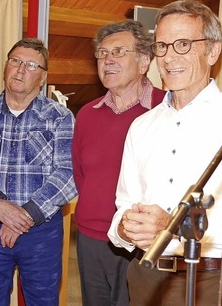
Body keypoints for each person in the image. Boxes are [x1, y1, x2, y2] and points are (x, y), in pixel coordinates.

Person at [107, 0, 222, 305]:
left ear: (213, 51)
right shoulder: (141, 126)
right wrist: (125, 228)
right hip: (146, 277)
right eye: (161, 46)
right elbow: (124, 204)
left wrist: (174, 228)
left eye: (183, 44)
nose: (168, 57)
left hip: (213, 281)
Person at [0, 38, 77, 306]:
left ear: (42, 77)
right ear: (5, 67)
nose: (21, 69)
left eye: (31, 65)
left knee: (43, 301)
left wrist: (25, 215)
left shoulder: (60, 117)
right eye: (15, 61)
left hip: (42, 232)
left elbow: (68, 173)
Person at [72, 20, 166, 306]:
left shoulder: (166, 109)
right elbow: (79, 174)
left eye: (118, 52)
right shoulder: (87, 114)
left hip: (141, 241)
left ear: (144, 61)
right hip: (90, 239)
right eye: (102, 54)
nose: (108, 60)